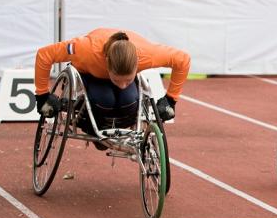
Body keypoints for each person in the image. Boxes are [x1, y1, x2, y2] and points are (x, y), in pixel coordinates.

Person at [34, 28, 191, 149]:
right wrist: (42, 96)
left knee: (129, 99)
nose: (123, 84)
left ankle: (117, 126)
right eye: (117, 79)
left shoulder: (148, 54)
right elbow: (44, 55)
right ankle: (94, 127)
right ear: (107, 63)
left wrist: (171, 100)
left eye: (128, 80)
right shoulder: (84, 49)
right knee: (105, 99)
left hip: (120, 76)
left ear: (137, 63)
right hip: (91, 74)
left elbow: (182, 60)